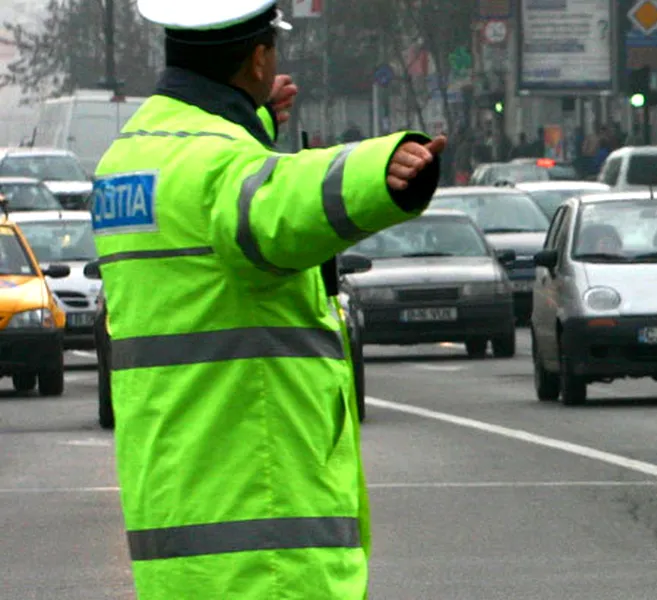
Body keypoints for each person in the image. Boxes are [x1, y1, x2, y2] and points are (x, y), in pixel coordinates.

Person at [90, 2, 446, 598]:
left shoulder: (129, 158)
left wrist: (250, 124)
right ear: (259, 57)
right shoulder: (222, 166)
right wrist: (381, 168)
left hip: (180, 523)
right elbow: (276, 205)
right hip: (263, 548)